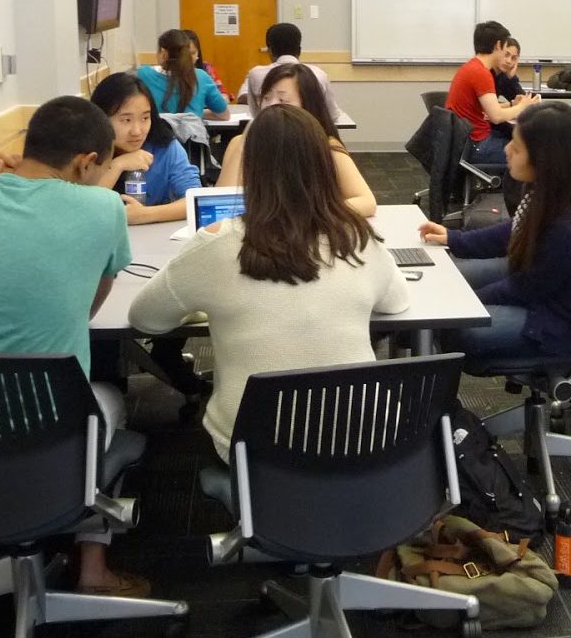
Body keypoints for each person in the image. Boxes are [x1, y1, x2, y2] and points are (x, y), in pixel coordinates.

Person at [0, 96, 150, 610]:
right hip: (55, 427)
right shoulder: (102, 207)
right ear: (86, 162)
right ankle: (93, 567)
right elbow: (87, 310)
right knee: (111, 395)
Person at [129, 104, 409, 460]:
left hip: (255, 449)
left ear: (252, 169)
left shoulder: (218, 243)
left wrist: (200, 307)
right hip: (360, 444)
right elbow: (397, 302)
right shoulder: (356, 237)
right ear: (325, 165)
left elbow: (145, 318)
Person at [418, 101, 571, 364]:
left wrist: (465, 305)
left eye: (517, 147)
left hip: (563, 323)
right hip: (540, 289)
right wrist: (454, 239)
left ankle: (439, 399)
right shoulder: (554, 187)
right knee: (445, 275)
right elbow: (514, 231)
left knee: (457, 325)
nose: (506, 149)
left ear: (543, 158)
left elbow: (527, 289)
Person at [216, 63, 376, 217]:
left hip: (308, 235)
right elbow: (219, 204)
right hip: (254, 235)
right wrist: (246, 141)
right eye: (266, 98)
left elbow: (366, 202)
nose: (270, 107)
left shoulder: (326, 147)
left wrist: (306, 217)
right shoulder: (240, 143)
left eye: (283, 101)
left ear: (307, 106)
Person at [88, 72, 202, 225]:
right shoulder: (87, 152)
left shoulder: (164, 147)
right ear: (101, 118)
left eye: (145, 118)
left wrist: (144, 215)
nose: (137, 131)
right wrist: (117, 166)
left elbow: (195, 199)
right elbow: (84, 208)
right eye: (126, 120)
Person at [445, 21, 540, 163]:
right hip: (477, 145)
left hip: (467, 142)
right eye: (505, 48)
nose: (506, 57)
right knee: (533, 157)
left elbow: (488, 110)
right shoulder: (481, 73)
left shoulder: (471, 67)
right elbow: (496, 116)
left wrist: (513, 104)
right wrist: (522, 106)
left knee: (517, 142)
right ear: (497, 46)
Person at [239, 22, 338, 118]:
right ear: (299, 51)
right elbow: (332, 115)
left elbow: (256, 114)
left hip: (268, 132)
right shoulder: (319, 74)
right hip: (309, 133)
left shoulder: (256, 74)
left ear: (270, 51)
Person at [137, 29, 230, 119]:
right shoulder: (201, 77)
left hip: (156, 134)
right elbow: (224, 115)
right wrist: (196, 113)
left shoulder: (143, 74)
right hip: (192, 134)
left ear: (163, 52)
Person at [182, 28, 228, 101]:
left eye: (193, 53)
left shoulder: (207, 68)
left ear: (198, 52)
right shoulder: (169, 72)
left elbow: (224, 96)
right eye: (185, 54)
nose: (189, 58)